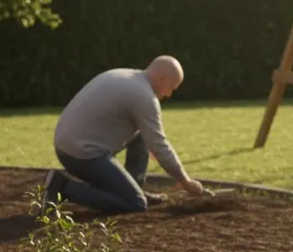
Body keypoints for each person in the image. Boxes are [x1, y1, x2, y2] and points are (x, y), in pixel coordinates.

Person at [42, 56, 205, 214]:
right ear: (163, 78)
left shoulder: (124, 75)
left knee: (141, 135)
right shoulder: (144, 97)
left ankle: (134, 187)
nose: (169, 94)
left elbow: (151, 141)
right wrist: (185, 181)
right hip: (82, 155)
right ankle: (63, 186)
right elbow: (159, 145)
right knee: (135, 203)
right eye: (172, 87)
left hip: (67, 143)